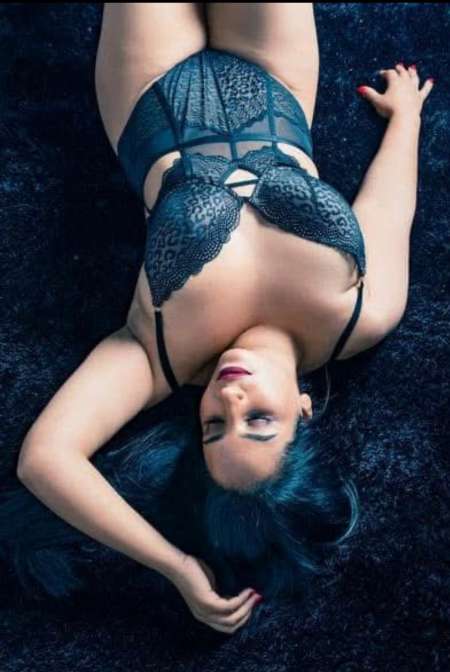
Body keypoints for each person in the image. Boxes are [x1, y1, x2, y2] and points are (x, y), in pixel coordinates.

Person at [15, 4, 434, 634]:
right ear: (303, 411)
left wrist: (176, 566)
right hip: (276, 79)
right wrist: (407, 119)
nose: (229, 398)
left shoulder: (161, 354)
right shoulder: (364, 314)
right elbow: (387, 208)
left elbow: (45, 458)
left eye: (213, 426)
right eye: (258, 421)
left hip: (152, 89)